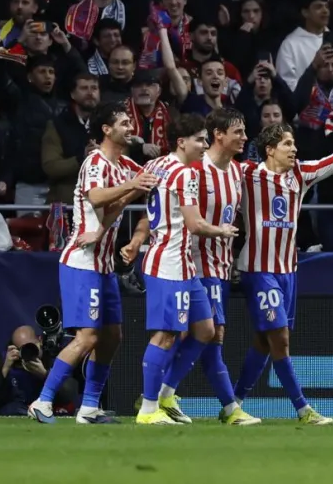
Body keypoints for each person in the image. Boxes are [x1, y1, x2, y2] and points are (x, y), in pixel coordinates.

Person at [231, 97, 333, 425]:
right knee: (279, 337)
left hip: (288, 270)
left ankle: (234, 401)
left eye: (294, 143)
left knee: (264, 341)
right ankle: (302, 408)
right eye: (286, 144)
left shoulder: (301, 174)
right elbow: (213, 168)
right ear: (269, 149)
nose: (293, 149)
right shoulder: (247, 173)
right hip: (257, 268)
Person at [28, 103, 156, 424]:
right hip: (81, 262)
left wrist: (121, 215)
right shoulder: (94, 162)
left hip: (103, 265)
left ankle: (89, 408)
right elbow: (97, 198)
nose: (131, 127)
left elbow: (119, 205)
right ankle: (42, 402)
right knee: (87, 336)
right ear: (106, 130)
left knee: (112, 336)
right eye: (124, 123)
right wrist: (132, 186)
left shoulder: (125, 164)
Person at [131, 113, 239, 425]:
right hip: (169, 263)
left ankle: (166, 393)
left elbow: (136, 189)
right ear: (182, 142)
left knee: (205, 329)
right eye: (200, 140)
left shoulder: (156, 165)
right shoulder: (184, 174)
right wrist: (223, 231)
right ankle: (149, 410)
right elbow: (195, 224)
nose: (205, 146)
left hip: (182, 264)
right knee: (167, 335)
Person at [191, 109, 259, 425]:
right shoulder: (196, 169)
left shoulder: (236, 171)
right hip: (194, 264)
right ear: (219, 134)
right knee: (210, 333)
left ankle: (159, 394)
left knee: (205, 334)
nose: (245, 138)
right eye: (239, 132)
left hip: (219, 265)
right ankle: (230, 408)